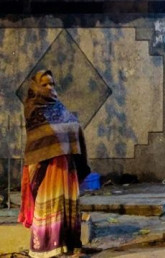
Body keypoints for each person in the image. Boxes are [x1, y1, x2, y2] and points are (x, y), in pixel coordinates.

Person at [19, 70, 90, 257]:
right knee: (50, 205)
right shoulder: (33, 108)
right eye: (45, 84)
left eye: (52, 84)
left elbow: (74, 127)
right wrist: (64, 134)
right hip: (47, 167)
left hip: (66, 166)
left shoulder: (59, 107)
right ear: (36, 87)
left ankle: (70, 245)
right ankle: (47, 249)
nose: (50, 88)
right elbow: (46, 135)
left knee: (67, 205)